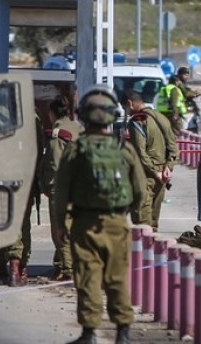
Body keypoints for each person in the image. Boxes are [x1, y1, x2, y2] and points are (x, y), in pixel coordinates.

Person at [54, 85, 146, 344]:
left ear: (83, 114)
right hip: (117, 223)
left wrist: (60, 224)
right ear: (111, 115)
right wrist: (126, 212)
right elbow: (140, 191)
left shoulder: (76, 149)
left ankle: (89, 334)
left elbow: (61, 191)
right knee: (117, 278)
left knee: (88, 277)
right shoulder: (124, 149)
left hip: (84, 224)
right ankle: (123, 333)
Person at [0, 112, 45, 287]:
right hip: (25, 177)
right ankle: (18, 267)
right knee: (22, 223)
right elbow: (39, 150)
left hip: (1, 178)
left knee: (3, 221)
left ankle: (3, 267)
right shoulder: (32, 117)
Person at [123, 90, 178, 231]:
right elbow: (173, 148)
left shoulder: (137, 121)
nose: (126, 112)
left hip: (145, 176)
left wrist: (154, 172)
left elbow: (140, 153)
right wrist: (168, 167)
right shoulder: (161, 118)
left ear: (129, 103)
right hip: (161, 176)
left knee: (142, 223)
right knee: (153, 223)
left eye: (125, 108)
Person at [44, 97, 84, 281]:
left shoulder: (57, 133)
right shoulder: (78, 127)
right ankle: (61, 264)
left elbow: (55, 164)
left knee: (59, 231)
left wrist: (48, 186)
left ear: (53, 113)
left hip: (62, 189)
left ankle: (68, 270)